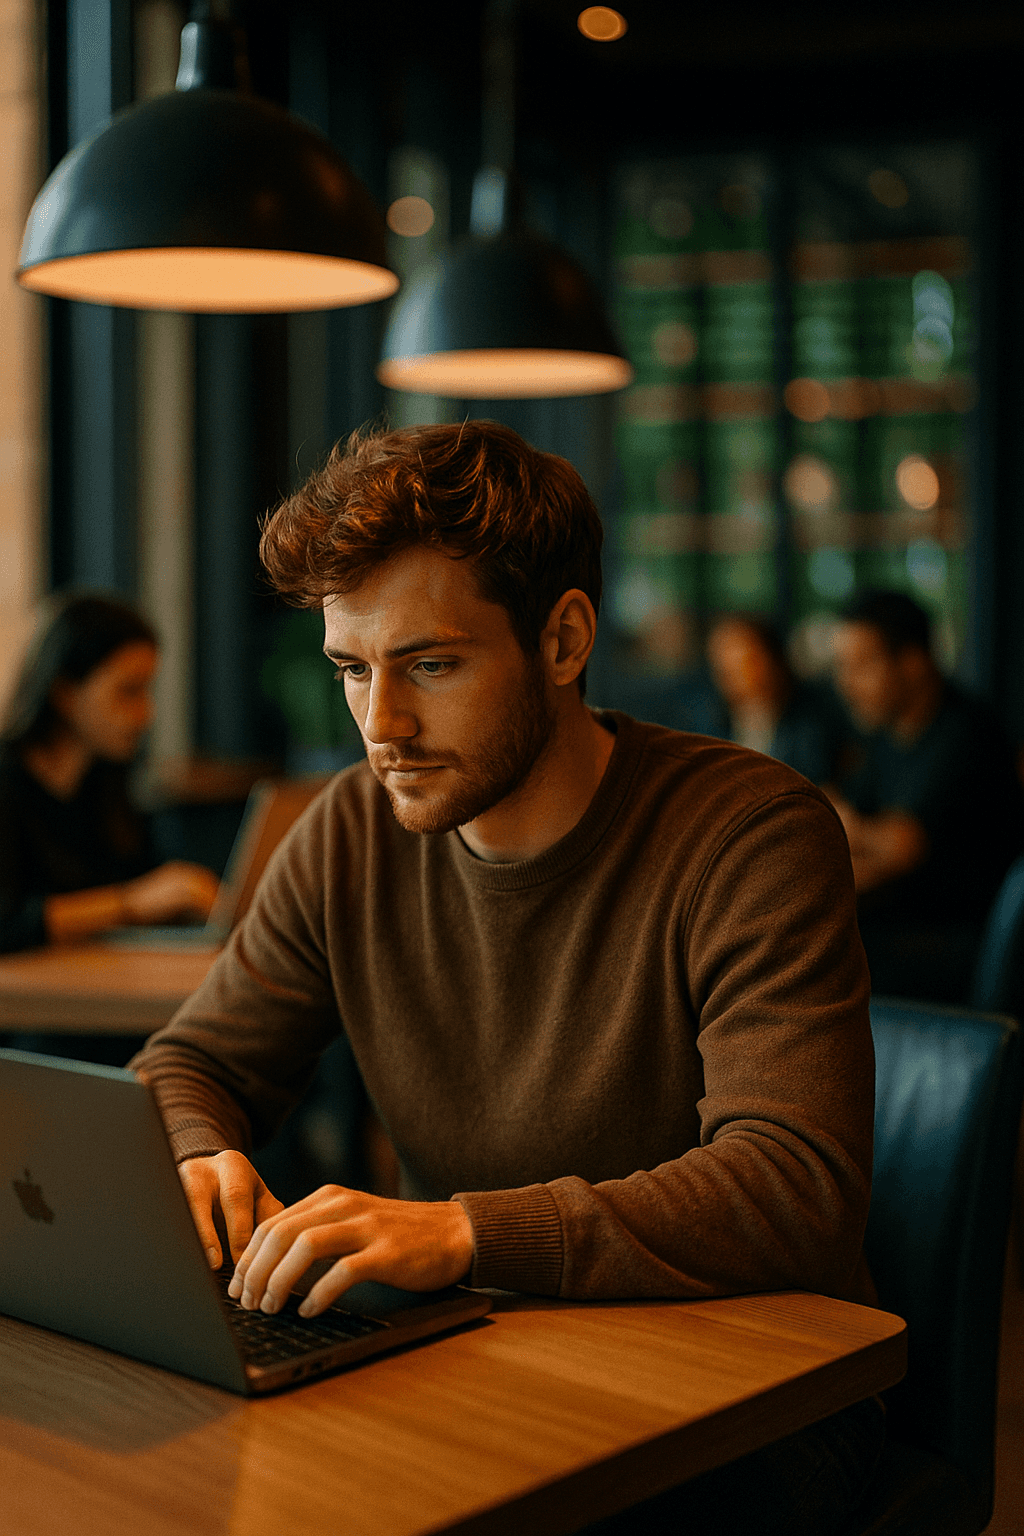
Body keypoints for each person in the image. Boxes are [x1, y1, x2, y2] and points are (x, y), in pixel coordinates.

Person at [131, 422, 881, 1535]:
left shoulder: (748, 831)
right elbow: (190, 1061)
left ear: (564, 638)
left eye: (430, 664)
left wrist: (464, 1233)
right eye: (352, 669)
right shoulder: (349, 831)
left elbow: (793, 1183)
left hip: (745, 1415)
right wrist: (199, 1154)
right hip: (481, 1364)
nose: (380, 726)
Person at [829, 588, 1024, 1003]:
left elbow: (903, 846)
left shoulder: (967, 733)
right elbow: (843, 815)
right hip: (908, 920)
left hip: (967, 943)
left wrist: (853, 830)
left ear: (914, 663)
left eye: (861, 665)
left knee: (826, 957)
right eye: (841, 668)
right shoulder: (885, 736)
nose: (846, 685)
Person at [0, 592, 220, 954]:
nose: (145, 714)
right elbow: (8, 923)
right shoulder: (8, 787)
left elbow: (145, 877)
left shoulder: (106, 787)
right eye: (128, 691)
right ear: (65, 692)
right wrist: (131, 904)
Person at [705, 612, 848, 784]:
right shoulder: (714, 726)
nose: (735, 677)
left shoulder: (813, 721)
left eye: (745, 663)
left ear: (771, 658)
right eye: (724, 669)